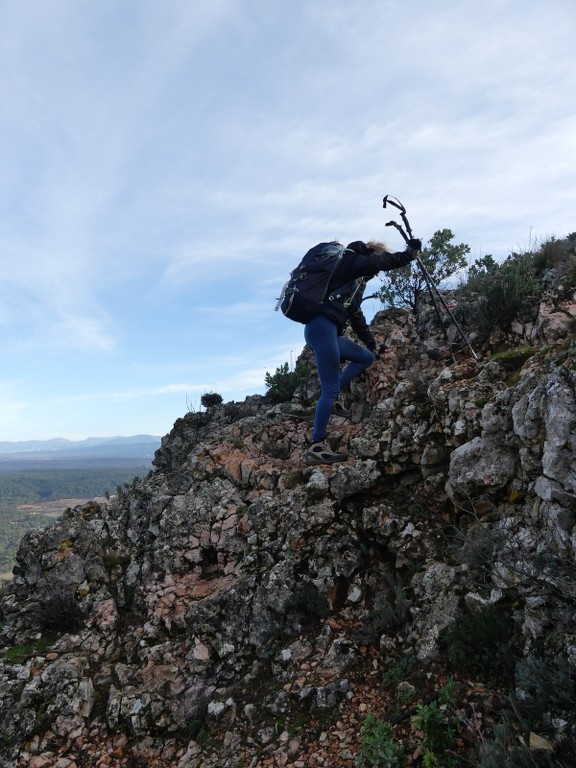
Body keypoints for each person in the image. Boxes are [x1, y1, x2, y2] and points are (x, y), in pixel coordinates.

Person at [304, 237, 421, 466]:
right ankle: (316, 445)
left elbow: (357, 318)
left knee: (364, 358)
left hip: (328, 332)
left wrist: (373, 346)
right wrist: (409, 254)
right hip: (321, 328)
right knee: (328, 390)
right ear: (370, 253)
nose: (375, 272)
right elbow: (383, 262)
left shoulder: (353, 284)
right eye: (376, 257)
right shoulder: (351, 261)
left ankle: (336, 394)